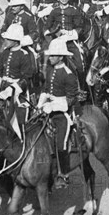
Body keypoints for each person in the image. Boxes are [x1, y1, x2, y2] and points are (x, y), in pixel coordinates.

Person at [38, 38, 80, 188]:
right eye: (50, 55)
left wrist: (53, 106)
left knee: (60, 144)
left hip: (62, 114)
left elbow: (71, 99)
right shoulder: (50, 70)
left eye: (53, 56)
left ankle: (64, 174)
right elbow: (45, 90)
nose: (50, 58)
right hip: (47, 108)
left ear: (61, 57)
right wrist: (40, 104)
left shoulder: (68, 74)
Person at [45, 0, 85, 81]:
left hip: (70, 42)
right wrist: (52, 34)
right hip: (56, 42)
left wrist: (69, 35)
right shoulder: (54, 11)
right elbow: (47, 26)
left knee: (80, 65)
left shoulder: (74, 10)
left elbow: (79, 28)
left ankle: (81, 88)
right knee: (45, 63)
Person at [0, 24, 34, 97]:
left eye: (8, 39)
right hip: (2, 87)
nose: (5, 41)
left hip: (18, 89)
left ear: (16, 41)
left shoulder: (24, 55)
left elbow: (26, 78)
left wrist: (11, 90)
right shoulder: (5, 52)